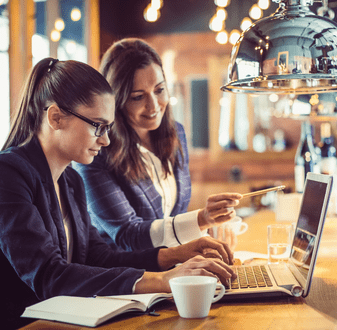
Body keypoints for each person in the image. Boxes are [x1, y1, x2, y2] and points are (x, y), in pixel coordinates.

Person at [0, 57, 237, 329]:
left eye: (108, 127)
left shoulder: (71, 181)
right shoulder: (8, 174)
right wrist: (161, 280)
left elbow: (100, 257)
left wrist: (177, 255)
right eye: (97, 126)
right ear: (55, 117)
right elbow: (48, 275)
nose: (106, 140)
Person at [73, 38, 242, 252]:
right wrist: (201, 220)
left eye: (159, 90)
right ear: (116, 101)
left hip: (171, 270)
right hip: (125, 278)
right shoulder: (95, 153)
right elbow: (127, 235)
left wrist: (207, 231)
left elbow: (174, 216)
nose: (153, 105)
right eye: (137, 97)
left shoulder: (176, 133)